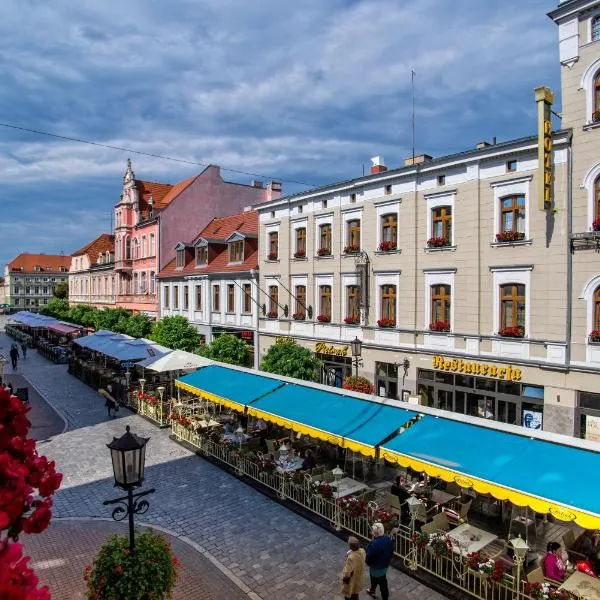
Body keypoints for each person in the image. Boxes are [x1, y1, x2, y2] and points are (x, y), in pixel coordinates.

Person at [366, 522, 394, 600]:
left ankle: (375, 592)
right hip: (385, 565)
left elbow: (368, 556)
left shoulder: (374, 544)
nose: (371, 532)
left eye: (372, 531)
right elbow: (391, 551)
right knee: (380, 581)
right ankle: (373, 590)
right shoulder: (388, 539)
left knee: (381, 583)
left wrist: (368, 563)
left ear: (375, 533)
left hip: (376, 567)